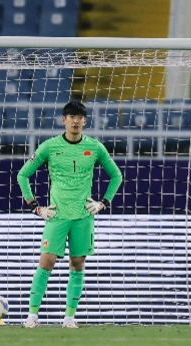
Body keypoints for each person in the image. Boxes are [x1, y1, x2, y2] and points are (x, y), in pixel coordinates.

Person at [17, 101, 123, 328]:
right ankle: (32, 315)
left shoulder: (95, 147)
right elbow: (22, 175)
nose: (75, 120)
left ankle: (69, 318)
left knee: (77, 264)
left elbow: (116, 176)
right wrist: (36, 207)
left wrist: (103, 203)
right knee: (46, 262)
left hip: (83, 217)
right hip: (57, 215)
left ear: (85, 121)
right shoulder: (49, 146)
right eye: (71, 116)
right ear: (63, 120)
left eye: (79, 117)